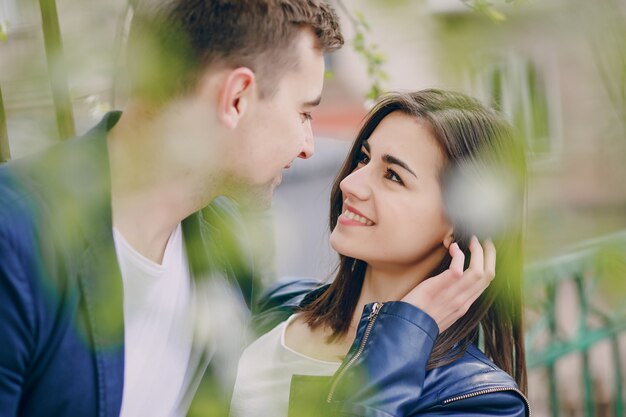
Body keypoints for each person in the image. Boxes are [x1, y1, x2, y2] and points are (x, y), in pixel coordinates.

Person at [0, 1, 343, 416]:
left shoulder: (226, 242)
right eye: (304, 113)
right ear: (236, 98)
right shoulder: (16, 239)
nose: (308, 146)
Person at [230, 89, 530, 417]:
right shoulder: (280, 303)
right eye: (363, 157)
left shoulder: (477, 401)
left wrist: (404, 331)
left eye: (392, 176)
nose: (351, 183)